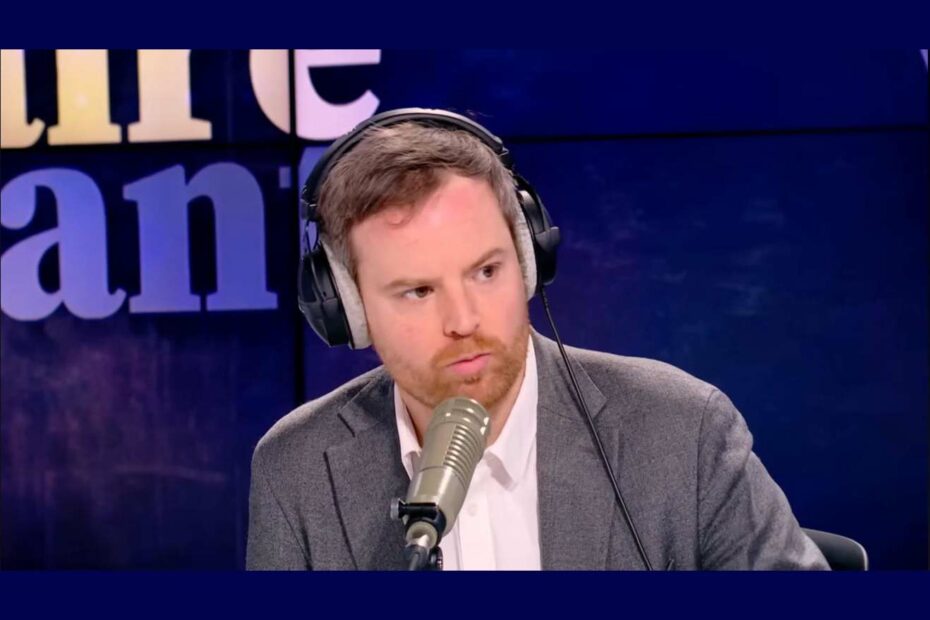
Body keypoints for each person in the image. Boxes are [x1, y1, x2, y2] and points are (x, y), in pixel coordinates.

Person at [246, 108, 829, 570]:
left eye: (486, 271)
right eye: (418, 291)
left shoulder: (684, 430)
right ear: (349, 309)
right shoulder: (297, 470)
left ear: (528, 259)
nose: (464, 319)